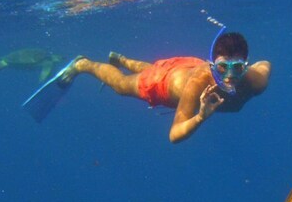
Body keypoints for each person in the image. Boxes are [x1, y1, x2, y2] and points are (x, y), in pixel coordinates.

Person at [22, 30, 271, 143]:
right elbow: (174, 135)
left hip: (182, 66)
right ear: (212, 65)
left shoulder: (256, 80)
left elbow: (265, 64)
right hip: (163, 84)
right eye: (221, 68)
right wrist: (201, 117)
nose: (228, 77)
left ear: (246, 66)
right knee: (120, 85)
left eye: (237, 68)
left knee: (155, 66)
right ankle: (83, 65)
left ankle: (122, 60)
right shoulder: (197, 86)